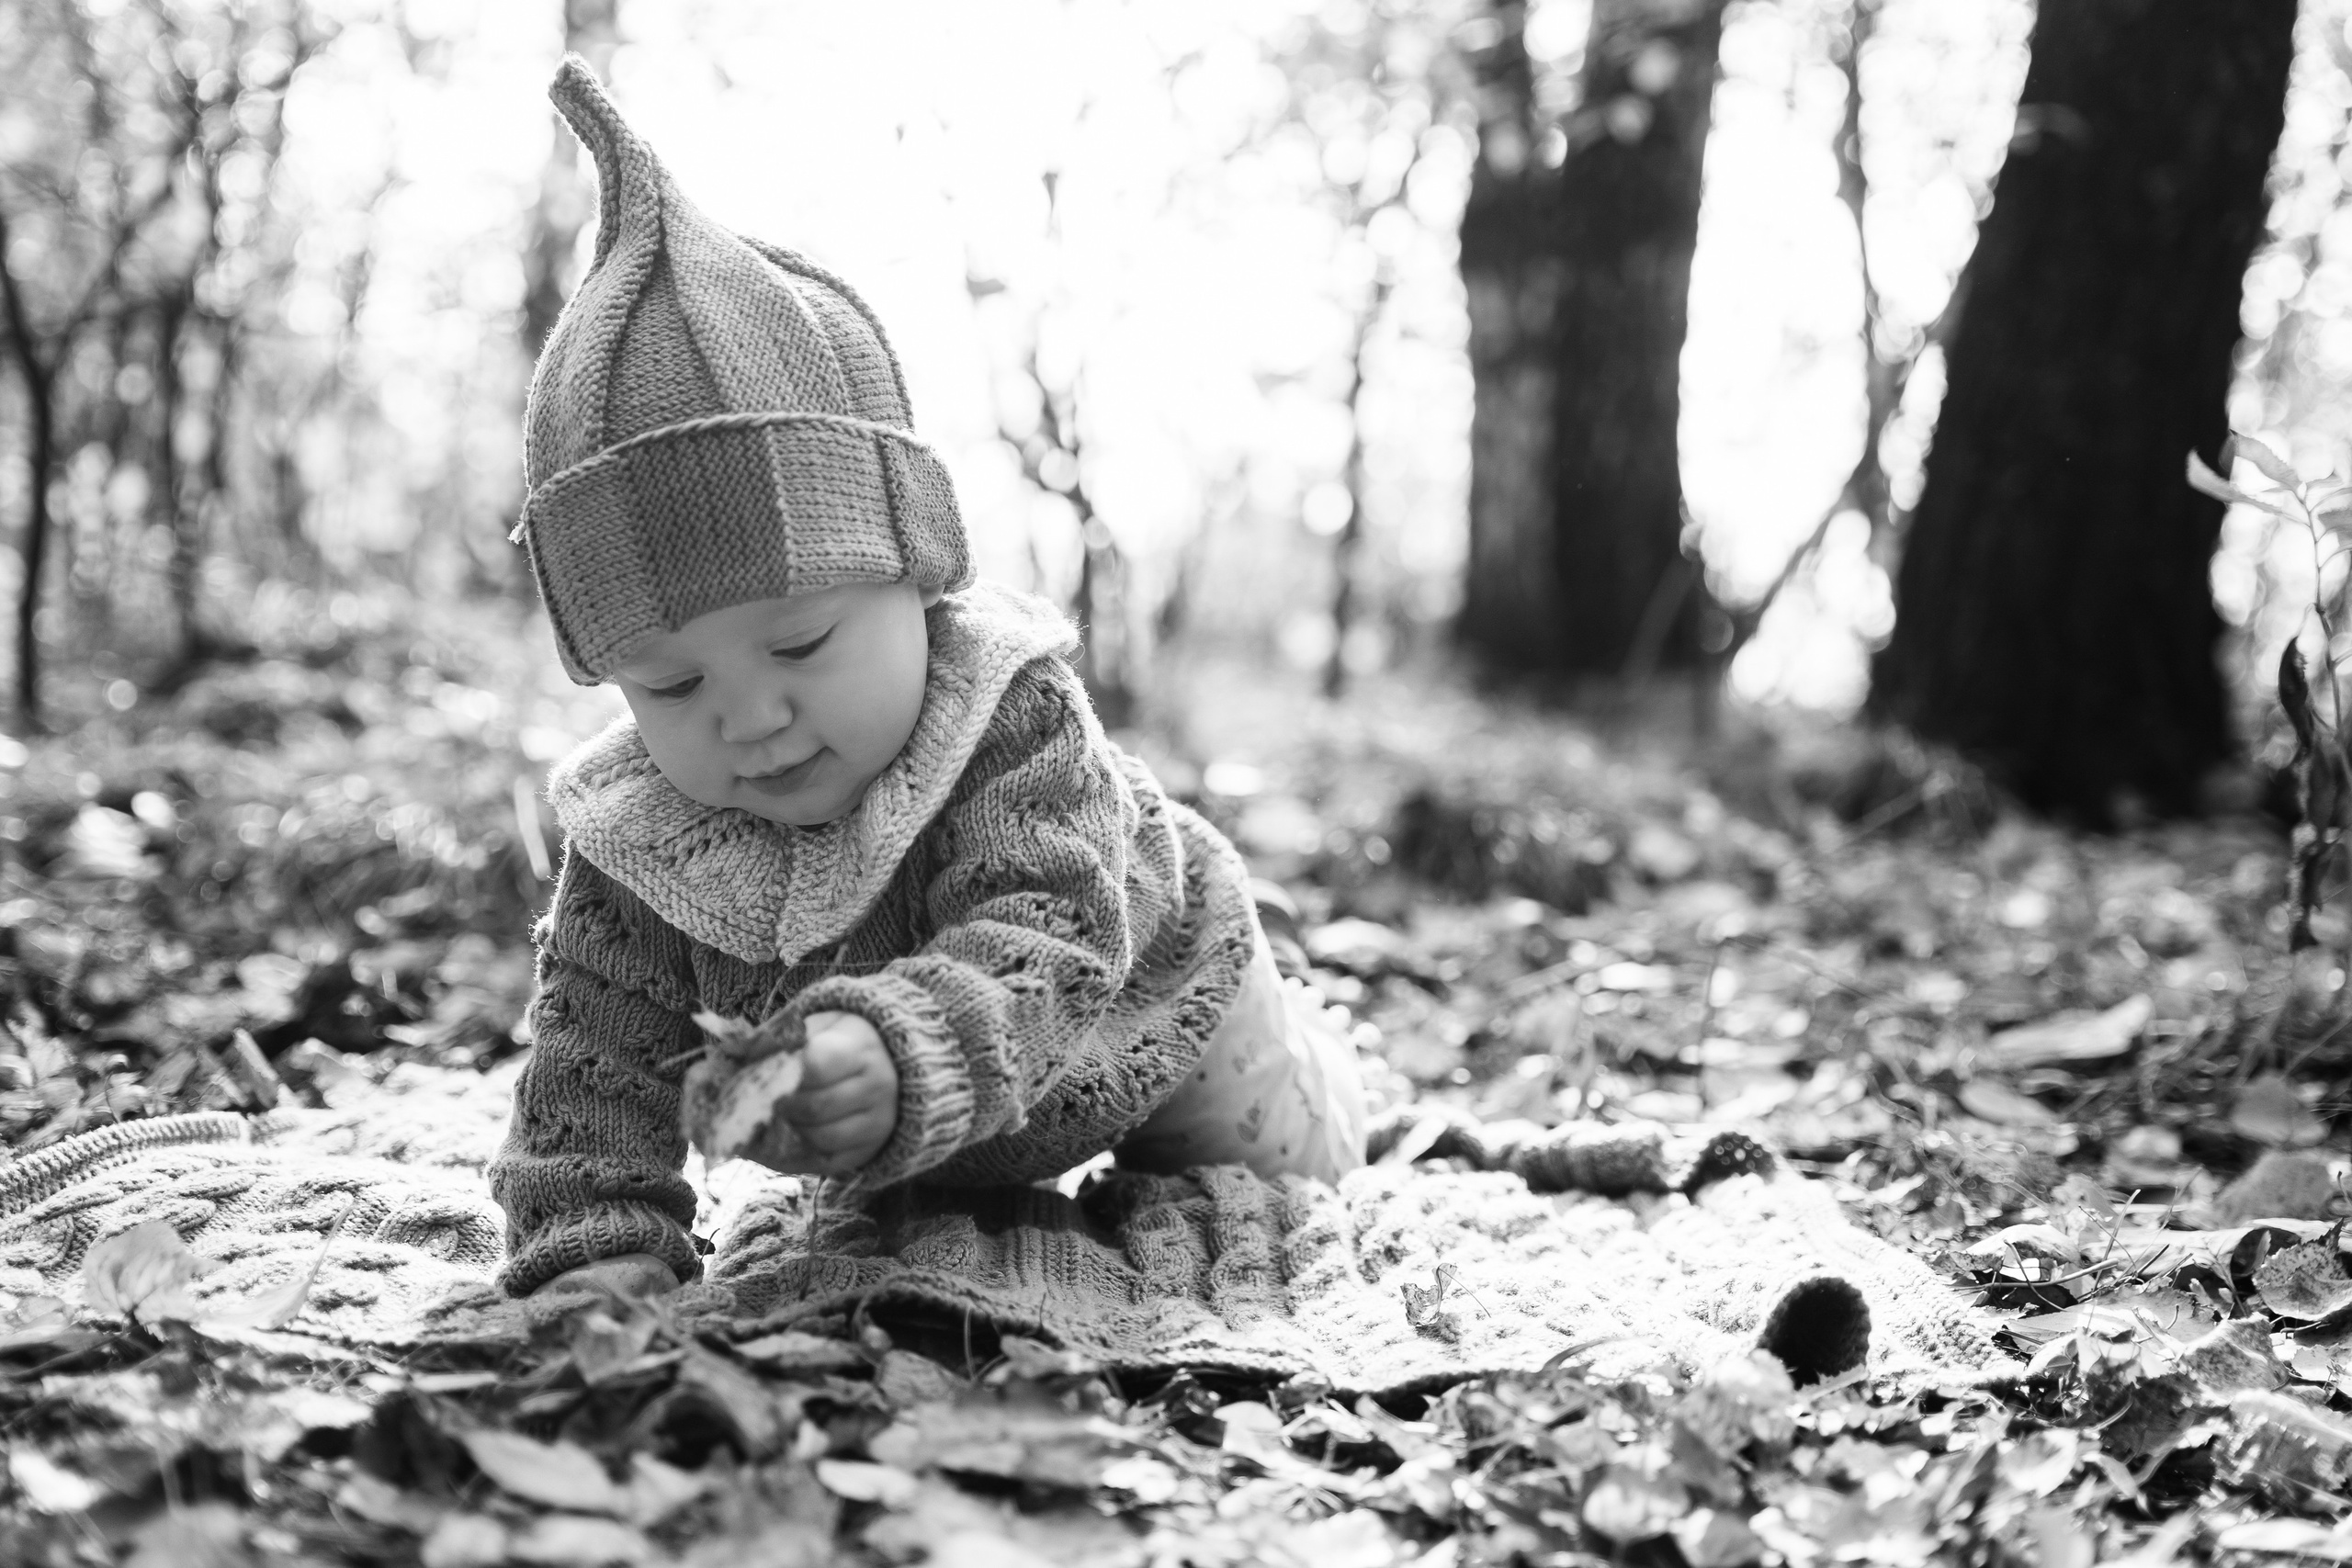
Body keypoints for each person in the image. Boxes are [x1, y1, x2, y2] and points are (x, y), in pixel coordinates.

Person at [488, 60, 1368, 1302]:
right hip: (911, 1114)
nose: (747, 715)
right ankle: (931, 1146)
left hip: (1156, 1010)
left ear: (920, 574)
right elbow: (593, 1066)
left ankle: (1330, 1057)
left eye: (798, 646)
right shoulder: (644, 838)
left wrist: (899, 1054)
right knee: (914, 1209)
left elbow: (1047, 933)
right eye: (668, 687)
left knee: (1287, 1169)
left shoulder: (1006, 716)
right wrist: (595, 1249)